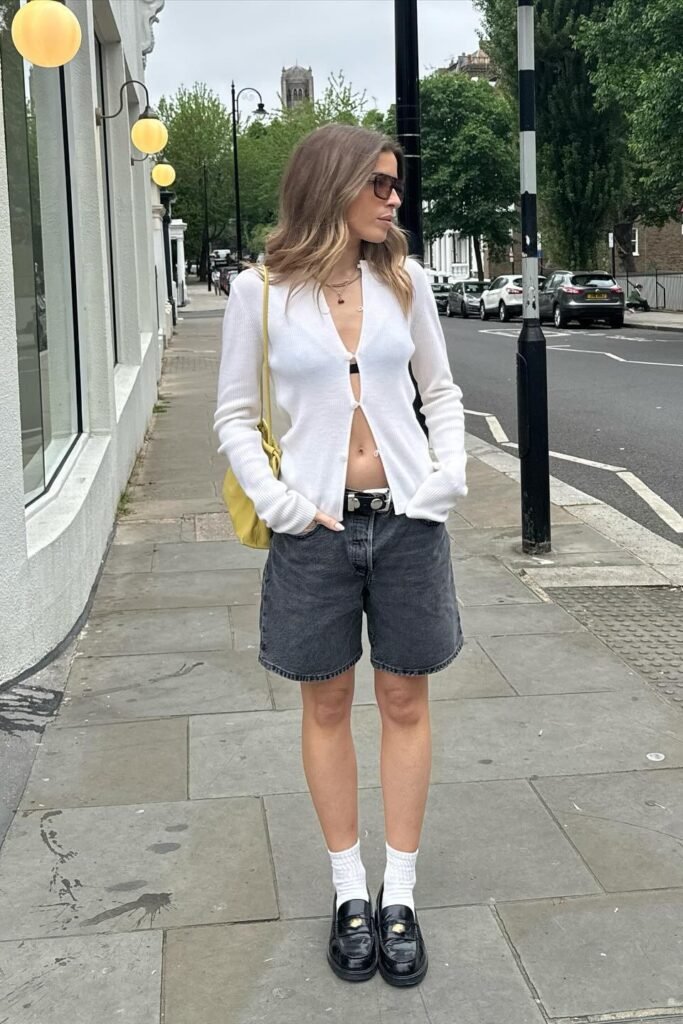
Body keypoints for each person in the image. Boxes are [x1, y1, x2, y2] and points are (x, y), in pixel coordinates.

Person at [214, 124, 467, 988]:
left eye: (396, 186)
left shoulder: (404, 280)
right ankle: (346, 894)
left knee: (403, 697)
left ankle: (398, 896)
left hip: (407, 524)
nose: (395, 200)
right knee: (325, 706)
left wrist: (446, 478)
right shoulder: (261, 292)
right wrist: (282, 502)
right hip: (312, 532)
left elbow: (438, 390)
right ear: (334, 184)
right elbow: (233, 418)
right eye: (383, 185)